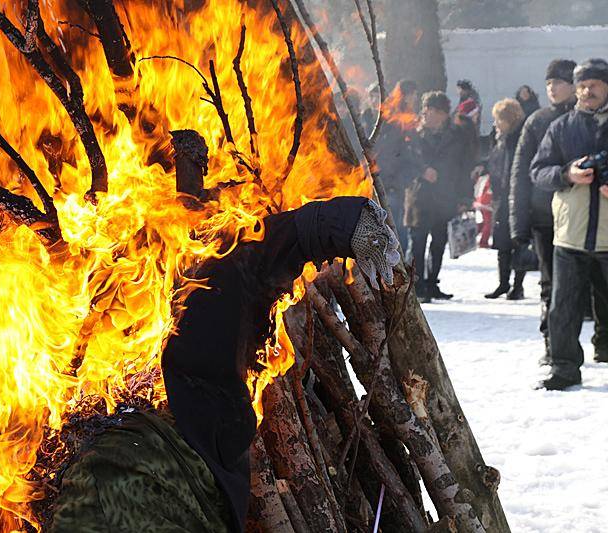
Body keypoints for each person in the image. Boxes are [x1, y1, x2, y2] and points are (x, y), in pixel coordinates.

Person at [51, 198, 399, 532]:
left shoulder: (196, 387)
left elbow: (238, 276)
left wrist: (329, 224)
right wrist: (328, 224)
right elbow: (238, 277)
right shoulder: (187, 403)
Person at [530, 58, 608, 390]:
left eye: (594, 85)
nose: (587, 91)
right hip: (570, 236)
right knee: (562, 307)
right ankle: (563, 368)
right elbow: (538, 171)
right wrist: (567, 174)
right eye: (582, 86)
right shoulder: (561, 127)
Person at [510, 59, 580, 364]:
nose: (553, 88)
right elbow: (520, 173)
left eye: (559, 82)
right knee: (550, 285)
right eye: (549, 82)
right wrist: (518, 223)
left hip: (583, 216)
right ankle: (552, 345)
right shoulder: (537, 121)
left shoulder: (588, 120)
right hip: (544, 218)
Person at [405, 91, 476, 303]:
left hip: (446, 197)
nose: (428, 114)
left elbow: (464, 168)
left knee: (438, 244)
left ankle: (432, 284)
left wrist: (465, 198)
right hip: (418, 197)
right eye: (426, 110)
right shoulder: (412, 134)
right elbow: (402, 161)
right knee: (417, 244)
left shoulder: (457, 136)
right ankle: (416, 286)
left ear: (443, 114)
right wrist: (422, 171)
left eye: (434, 111)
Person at [483, 99, 526, 299]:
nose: (495, 123)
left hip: (516, 197)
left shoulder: (518, 139)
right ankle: (503, 283)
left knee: (517, 242)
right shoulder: (499, 139)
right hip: (501, 197)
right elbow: (495, 163)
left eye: (498, 119)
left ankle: (518, 286)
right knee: (502, 243)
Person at [373, 79, 422, 251]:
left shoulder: (406, 116)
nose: (415, 98)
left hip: (398, 181)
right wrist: (397, 180)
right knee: (395, 229)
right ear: (406, 95)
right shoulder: (395, 118)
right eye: (413, 94)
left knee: (398, 227)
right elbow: (391, 152)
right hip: (391, 182)